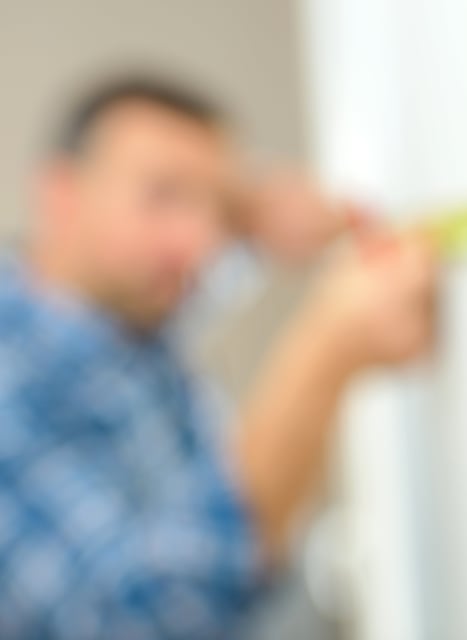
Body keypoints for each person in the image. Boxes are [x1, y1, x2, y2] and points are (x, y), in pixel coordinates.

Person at [0, 77, 435, 639]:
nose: (200, 242)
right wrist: (326, 355)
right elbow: (142, 618)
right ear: (62, 193)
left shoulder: (127, 320)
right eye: (162, 194)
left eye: (218, 209)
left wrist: (250, 221)